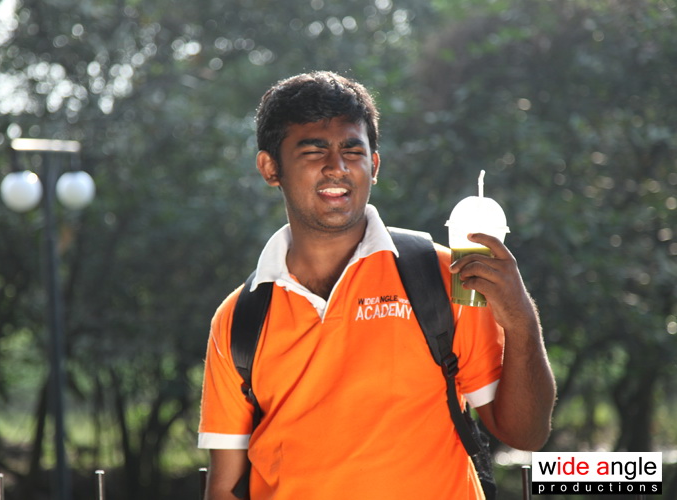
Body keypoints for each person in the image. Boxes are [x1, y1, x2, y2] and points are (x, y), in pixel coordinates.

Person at [197, 71, 556, 500]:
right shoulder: (239, 318)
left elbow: (525, 434)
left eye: (353, 150)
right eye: (314, 150)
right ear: (270, 168)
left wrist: (520, 319)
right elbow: (224, 486)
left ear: (375, 165)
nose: (338, 167)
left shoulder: (443, 275)